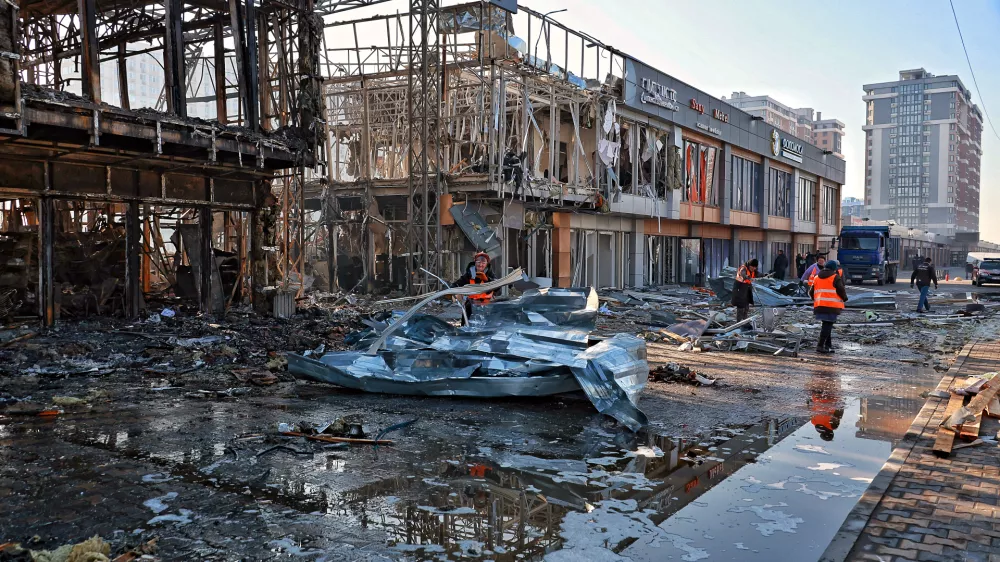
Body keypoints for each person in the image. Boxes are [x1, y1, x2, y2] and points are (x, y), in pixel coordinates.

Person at [810, 260, 848, 354]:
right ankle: (820, 345)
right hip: (832, 306)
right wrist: (845, 298)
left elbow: (811, 292)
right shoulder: (835, 277)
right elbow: (841, 290)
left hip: (820, 305)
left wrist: (817, 299)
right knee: (827, 326)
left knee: (827, 325)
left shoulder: (816, 277)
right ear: (834, 268)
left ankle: (828, 346)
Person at [453, 252, 498, 321]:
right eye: (478, 262)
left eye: (483, 263)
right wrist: (450, 292)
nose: (480, 265)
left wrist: (487, 280)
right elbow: (457, 284)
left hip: (487, 305)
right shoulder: (469, 274)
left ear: (486, 264)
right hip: (471, 304)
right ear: (475, 262)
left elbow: (498, 289)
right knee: (466, 324)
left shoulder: (490, 274)